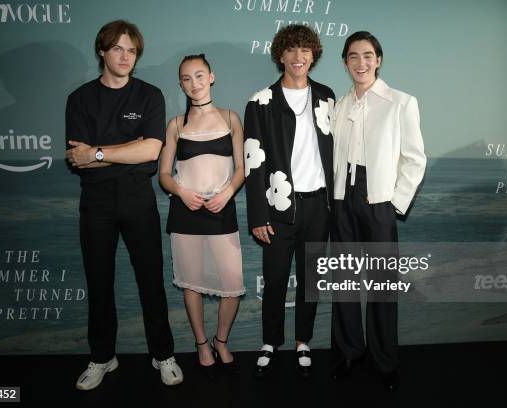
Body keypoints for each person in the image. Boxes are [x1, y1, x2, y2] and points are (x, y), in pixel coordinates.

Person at [65, 19, 183, 389]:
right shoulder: (80, 99)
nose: (125, 56)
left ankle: (163, 355)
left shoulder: (149, 95)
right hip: (96, 202)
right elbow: (77, 158)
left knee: (151, 281)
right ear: (102, 51)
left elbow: (150, 150)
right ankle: (102, 357)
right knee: (99, 284)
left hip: (137, 199)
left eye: (132, 50)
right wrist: (119, 153)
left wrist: (99, 152)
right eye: (117, 48)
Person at [330, 31, 426, 391]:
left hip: (379, 200)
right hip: (342, 199)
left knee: (382, 287)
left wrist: (393, 202)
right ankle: (348, 353)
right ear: (345, 63)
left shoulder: (401, 102)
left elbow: (415, 160)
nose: (361, 63)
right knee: (344, 282)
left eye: (367, 55)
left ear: (379, 59)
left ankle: (385, 362)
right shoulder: (339, 105)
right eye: (353, 56)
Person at [244, 24, 334, 379]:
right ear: (280, 55)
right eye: (292, 50)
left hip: (319, 206)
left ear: (313, 56)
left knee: (311, 279)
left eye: (306, 51)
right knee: (276, 277)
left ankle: (303, 342)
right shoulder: (260, 102)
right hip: (279, 206)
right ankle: (270, 342)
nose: (299, 57)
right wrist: (257, 213)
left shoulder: (327, 97)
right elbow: (253, 161)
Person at [159, 54, 246, 379]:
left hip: (222, 210)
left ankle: (220, 339)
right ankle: (200, 344)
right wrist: (181, 193)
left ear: (211, 77)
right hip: (185, 212)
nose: (193, 83)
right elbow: (164, 176)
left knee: (232, 283)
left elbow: (242, 169)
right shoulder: (176, 125)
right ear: (181, 84)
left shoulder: (230, 118)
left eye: (199, 76)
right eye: (186, 78)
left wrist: (227, 193)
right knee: (191, 283)